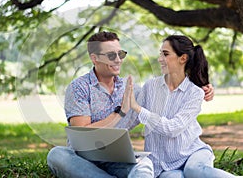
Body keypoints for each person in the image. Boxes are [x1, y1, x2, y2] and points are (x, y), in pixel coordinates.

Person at [47, 31, 214, 178]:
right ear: (94, 58)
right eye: (111, 55)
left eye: (120, 54)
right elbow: (83, 134)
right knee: (56, 155)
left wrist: (203, 87)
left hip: (117, 159)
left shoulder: (132, 91)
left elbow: (167, 96)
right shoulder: (79, 88)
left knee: (145, 165)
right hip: (84, 159)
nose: (118, 60)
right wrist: (119, 113)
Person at [123, 35, 238, 178]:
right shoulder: (150, 87)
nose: (160, 59)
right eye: (160, 54)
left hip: (193, 153)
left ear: (182, 58)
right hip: (163, 165)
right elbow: (130, 120)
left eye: (165, 54)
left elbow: (173, 128)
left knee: (193, 170)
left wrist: (138, 108)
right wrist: (103, 135)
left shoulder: (195, 93)